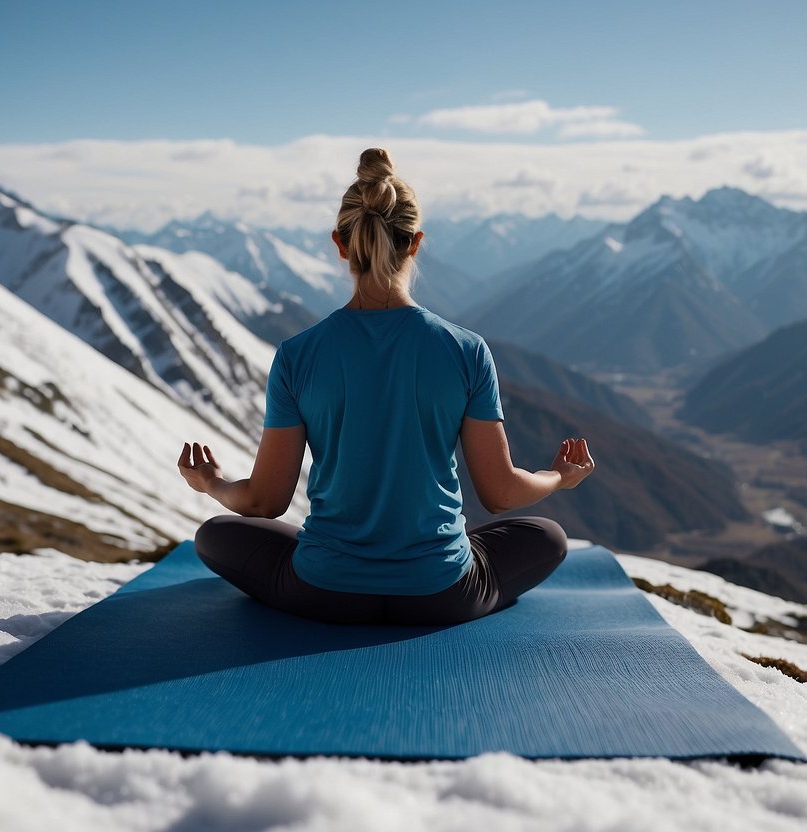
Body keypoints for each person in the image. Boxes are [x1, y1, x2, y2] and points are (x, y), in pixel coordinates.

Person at [178, 148, 595, 625]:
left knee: (215, 534)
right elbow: (500, 493)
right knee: (548, 537)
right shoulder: (466, 350)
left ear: (340, 244)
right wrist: (560, 476)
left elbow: (264, 503)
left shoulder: (298, 354)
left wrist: (210, 482)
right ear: (415, 242)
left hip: (322, 590)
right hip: (441, 592)